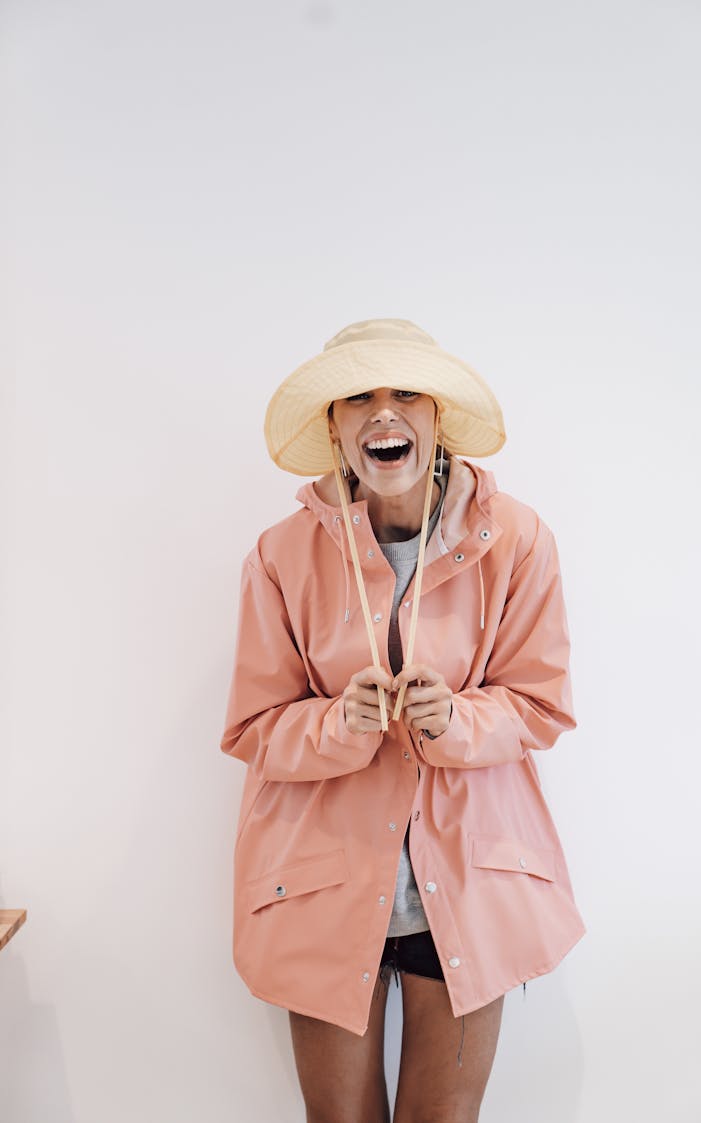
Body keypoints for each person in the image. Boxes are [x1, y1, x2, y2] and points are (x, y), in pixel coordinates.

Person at [219, 317, 586, 1123]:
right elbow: (253, 726)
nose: (384, 413)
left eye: (405, 394)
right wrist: (335, 724)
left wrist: (456, 715)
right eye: (360, 398)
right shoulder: (280, 556)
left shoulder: (515, 539)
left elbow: (541, 702)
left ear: (436, 415)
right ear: (334, 425)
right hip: (319, 883)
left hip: (472, 879)